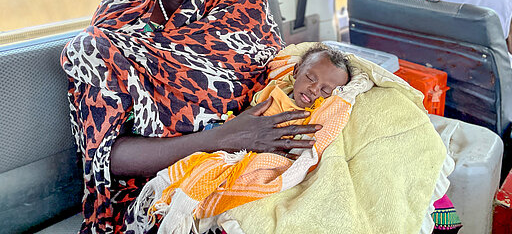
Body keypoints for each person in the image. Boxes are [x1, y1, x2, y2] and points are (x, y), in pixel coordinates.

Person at [61, 0, 323, 234]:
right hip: (162, 188)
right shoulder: (117, 20)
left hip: (262, 155)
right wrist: (222, 138)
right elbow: (108, 156)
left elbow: (278, 78)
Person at [133, 43, 353, 233]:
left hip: (268, 159)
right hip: (236, 140)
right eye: (310, 78)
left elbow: (306, 147)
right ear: (295, 72)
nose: (314, 89)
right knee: (202, 164)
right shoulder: (274, 90)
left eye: (326, 90)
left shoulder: (315, 114)